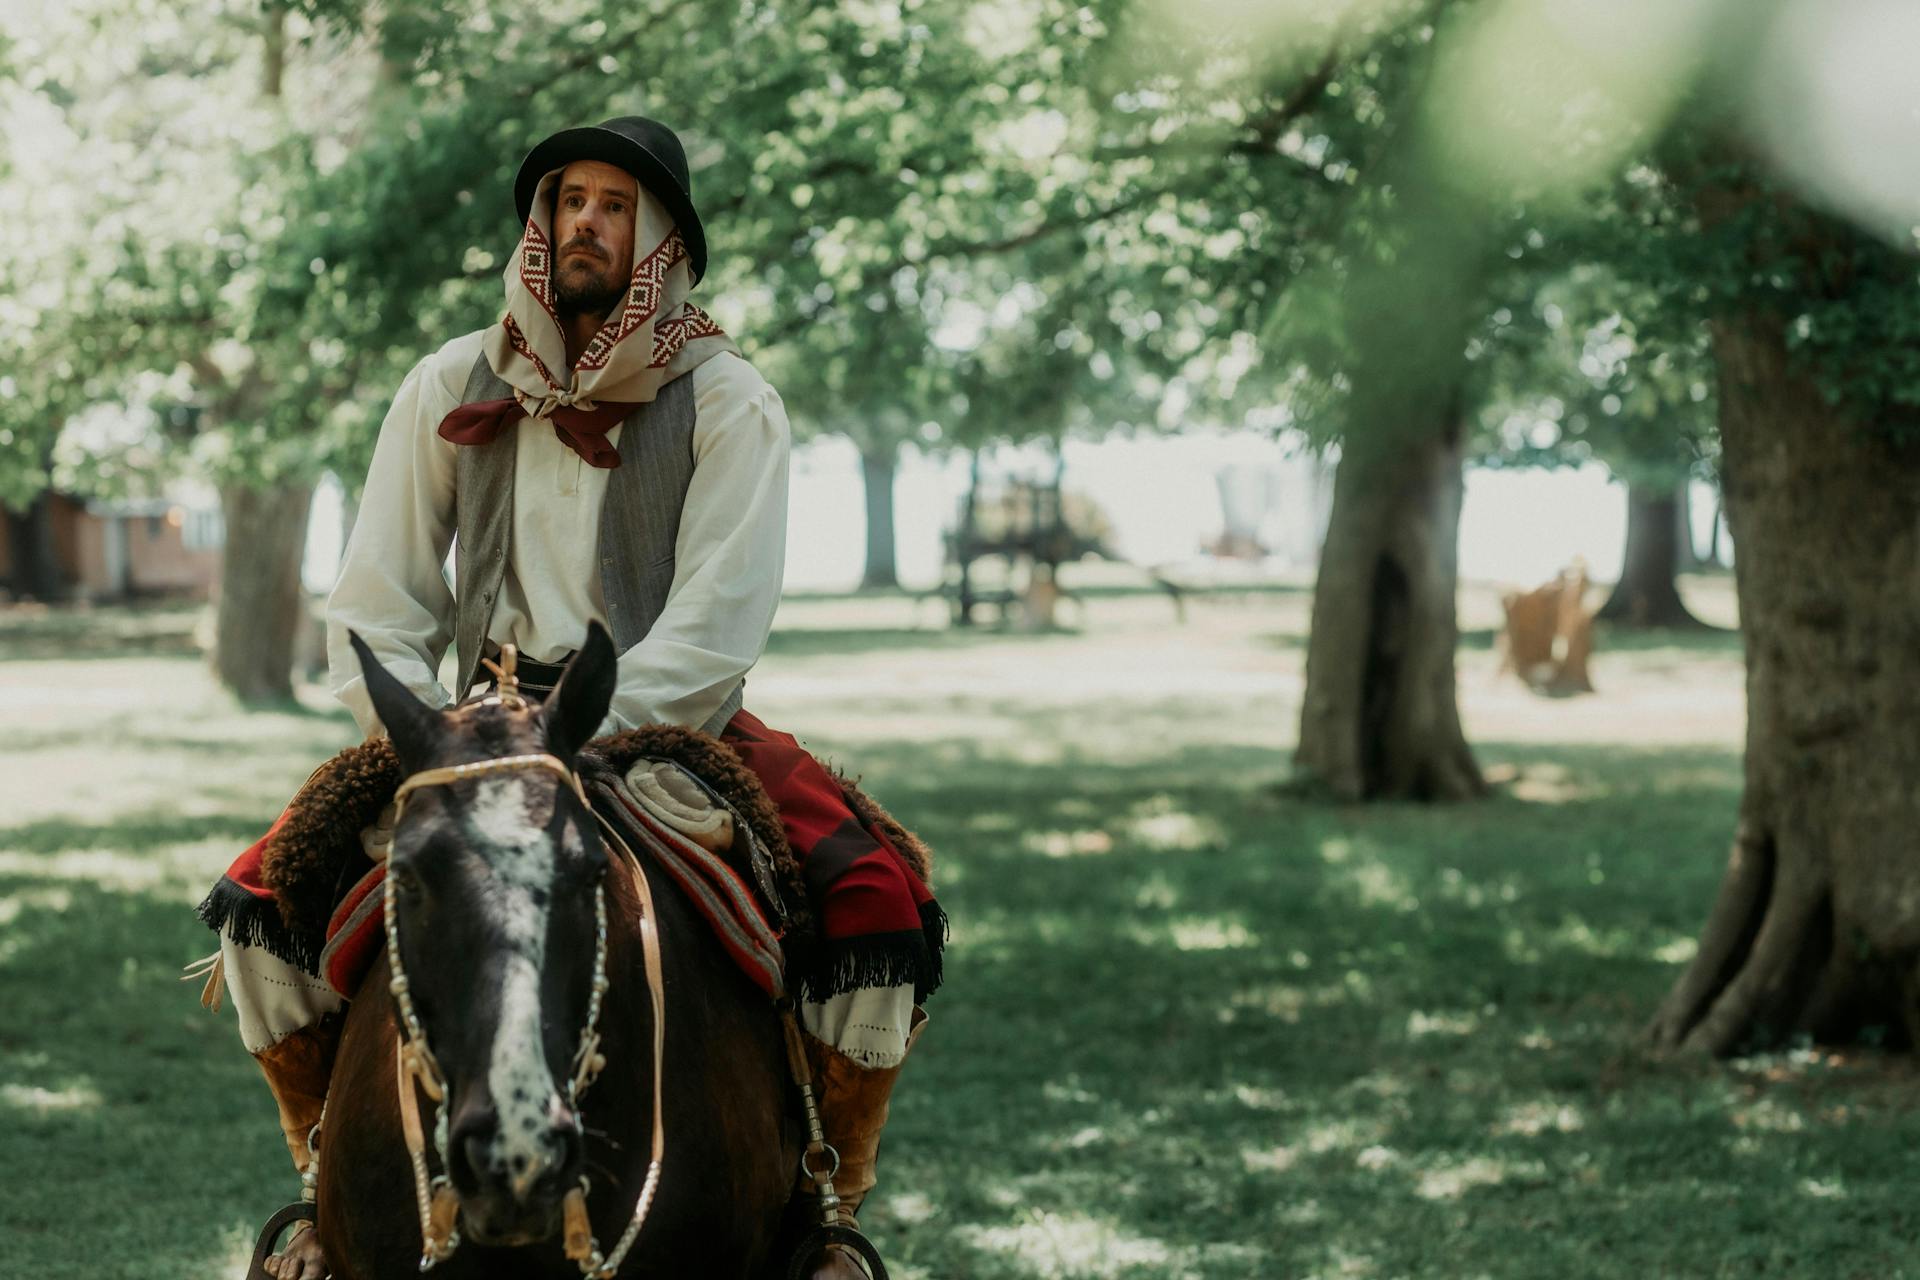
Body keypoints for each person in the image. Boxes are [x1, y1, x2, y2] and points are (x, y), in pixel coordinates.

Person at [198, 116, 942, 1280]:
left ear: (661, 241)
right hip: (464, 729)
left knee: (876, 898)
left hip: (660, 723)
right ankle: (320, 1183)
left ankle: (828, 1201)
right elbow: (375, 596)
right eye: (567, 202)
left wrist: (584, 730)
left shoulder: (727, 398)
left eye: (612, 205)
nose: (583, 222)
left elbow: (715, 622)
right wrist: (420, 728)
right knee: (260, 900)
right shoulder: (454, 379)